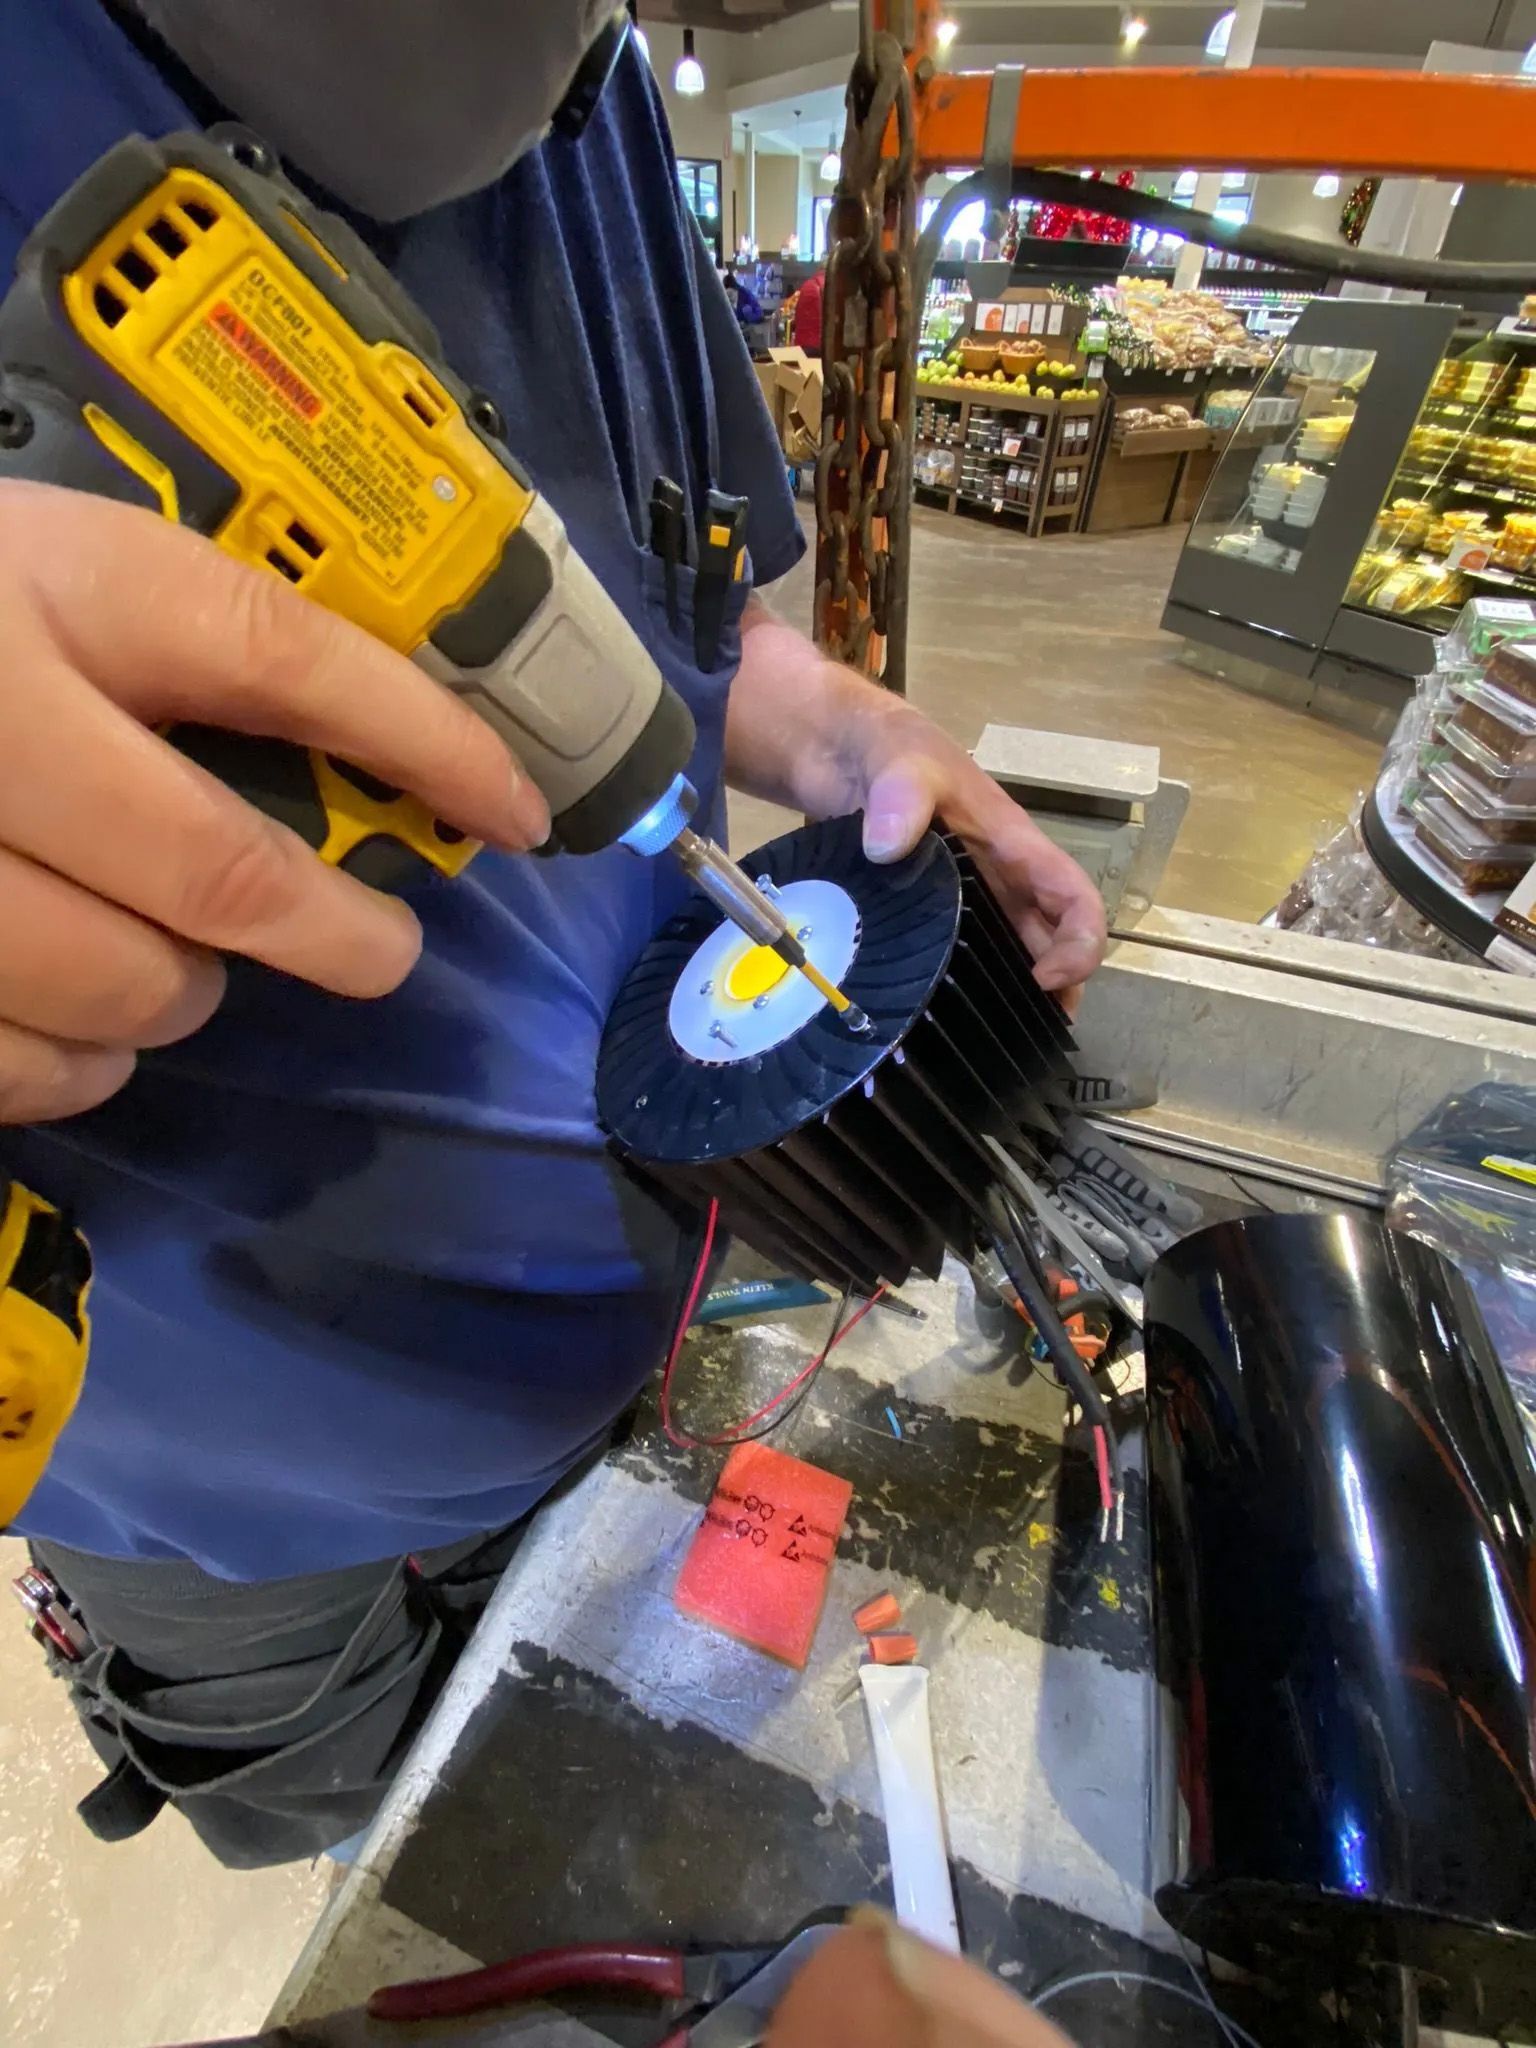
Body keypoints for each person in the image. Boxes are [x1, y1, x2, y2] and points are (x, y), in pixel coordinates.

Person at [0, 0, 1106, 1871]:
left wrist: (831, 726)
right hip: (258, 1537)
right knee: (396, 1869)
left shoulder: (593, 109)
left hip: (643, 1375)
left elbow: (699, 616)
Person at [793, 265, 825, 353]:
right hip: (819, 345)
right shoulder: (830, 285)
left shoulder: (807, 284)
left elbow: (797, 316)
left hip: (802, 344)